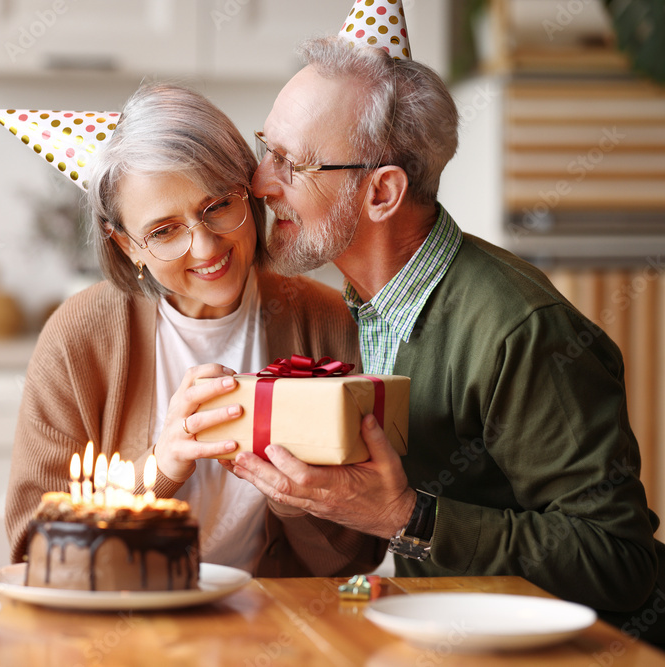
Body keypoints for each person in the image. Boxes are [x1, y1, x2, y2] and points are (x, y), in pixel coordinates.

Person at [232, 10, 665, 643]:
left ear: (382, 193)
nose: (260, 182)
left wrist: (409, 517)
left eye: (291, 163)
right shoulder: (349, 310)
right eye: (266, 148)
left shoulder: (520, 331)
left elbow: (617, 560)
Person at [4, 83, 384, 577]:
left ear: (249, 191)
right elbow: (30, 551)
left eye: (217, 206)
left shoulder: (326, 321)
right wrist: (157, 472)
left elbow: (353, 559)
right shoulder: (79, 338)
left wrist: (298, 495)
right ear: (125, 246)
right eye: (163, 231)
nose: (205, 248)